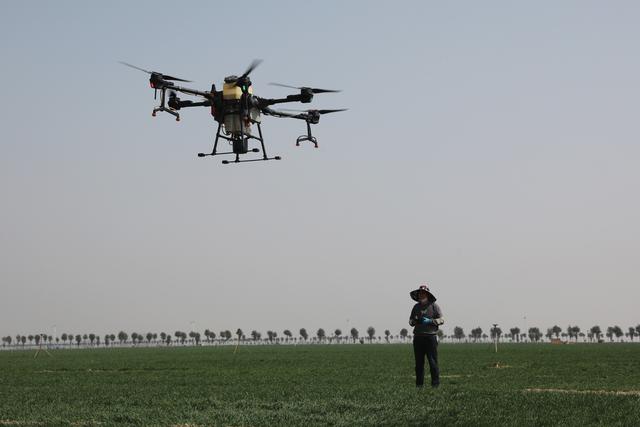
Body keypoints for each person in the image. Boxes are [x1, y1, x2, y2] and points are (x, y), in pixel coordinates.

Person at [409, 284, 444, 388]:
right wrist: (415, 321)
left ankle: (435, 385)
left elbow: (442, 320)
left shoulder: (434, 306)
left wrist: (431, 321)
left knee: (433, 362)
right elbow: (410, 321)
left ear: (427, 295)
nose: (421, 295)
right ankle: (419, 385)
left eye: (423, 293)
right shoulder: (416, 307)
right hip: (418, 338)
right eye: (420, 293)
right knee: (419, 364)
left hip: (430, 338)